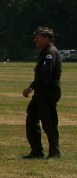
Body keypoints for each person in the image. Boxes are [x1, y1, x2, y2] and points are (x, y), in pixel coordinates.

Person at [22, 26, 62, 159]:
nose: (35, 40)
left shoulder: (50, 52)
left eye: (38, 38)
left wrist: (30, 87)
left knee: (49, 122)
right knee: (32, 118)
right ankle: (37, 151)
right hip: (41, 92)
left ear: (46, 39)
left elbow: (45, 75)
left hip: (48, 92)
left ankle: (54, 152)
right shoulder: (45, 52)